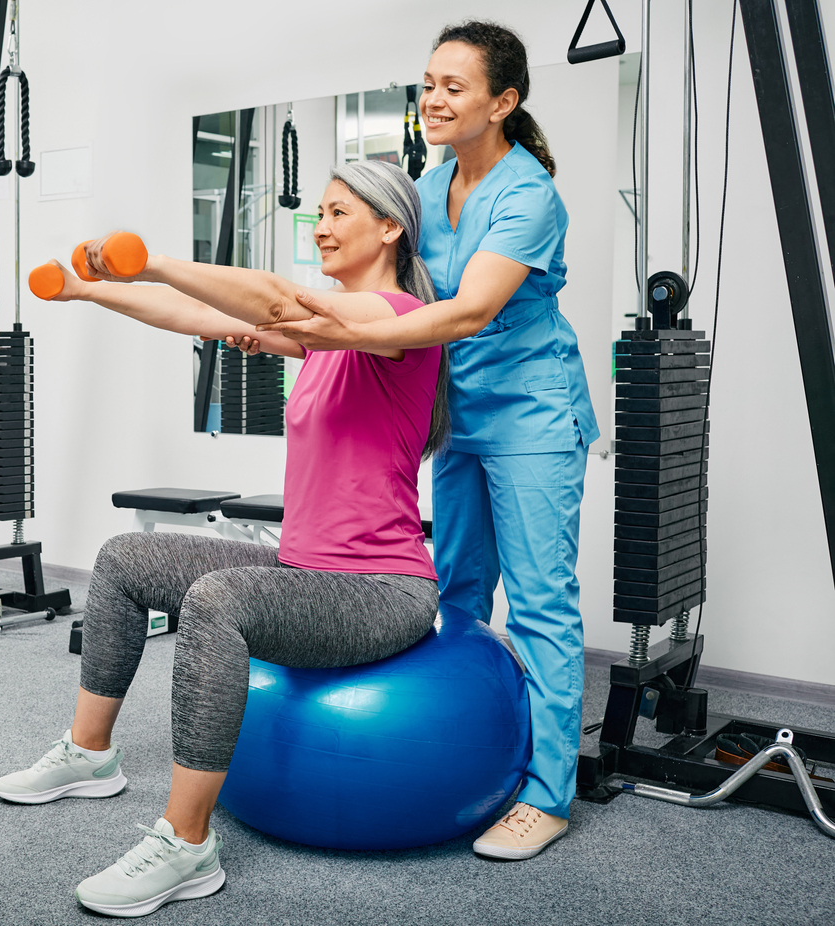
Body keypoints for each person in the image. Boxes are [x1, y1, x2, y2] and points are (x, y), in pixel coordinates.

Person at [0, 160, 446, 917]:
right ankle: (89, 754)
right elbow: (197, 319)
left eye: (340, 213)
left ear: (390, 227)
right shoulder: (321, 334)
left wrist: (162, 258)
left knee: (215, 601)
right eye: (320, 214)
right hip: (306, 568)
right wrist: (89, 289)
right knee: (125, 559)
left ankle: (186, 843)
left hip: (381, 591)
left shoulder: (397, 320)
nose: (323, 226)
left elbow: (277, 296)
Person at [256, 21, 600, 861]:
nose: (434, 99)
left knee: (540, 603)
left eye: (455, 86)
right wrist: (295, 328)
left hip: (529, 417)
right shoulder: (428, 181)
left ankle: (548, 793)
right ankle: (459, 758)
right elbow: (391, 291)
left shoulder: (527, 196)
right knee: (455, 588)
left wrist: (330, 333)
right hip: (457, 417)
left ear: (503, 102)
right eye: (428, 83)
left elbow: (467, 312)